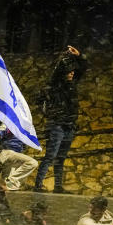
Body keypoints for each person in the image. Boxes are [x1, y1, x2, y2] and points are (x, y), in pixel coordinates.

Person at [33, 45, 87, 193]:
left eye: (72, 71)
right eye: (69, 71)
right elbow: (56, 73)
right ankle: (38, 185)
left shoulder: (72, 85)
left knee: (61, 157)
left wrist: (79, 56)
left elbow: (83, 69)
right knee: (50, 156)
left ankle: (58, 186)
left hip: (69, 125)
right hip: (57, 124)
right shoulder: (57, 85)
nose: (71, 73)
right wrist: (66, 56)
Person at [0, 122, 39, 191]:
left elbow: (24, 144)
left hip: (15, 156)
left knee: (6, 184)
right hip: (7, 153)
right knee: (32, 162)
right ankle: (10, 180)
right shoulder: (10, 123)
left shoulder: (22, 129)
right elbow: (2, 132)